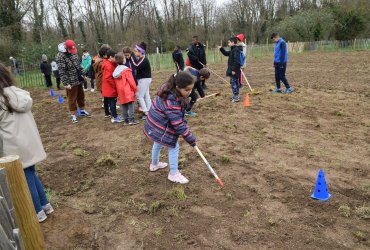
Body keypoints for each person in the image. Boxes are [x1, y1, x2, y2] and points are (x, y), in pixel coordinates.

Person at [0, 63, 54, 222]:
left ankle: (37, 211)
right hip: (29, 143)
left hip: (13, 145)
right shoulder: (18, 93)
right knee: (31, 173)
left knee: (25, 177)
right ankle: (45, 205)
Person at [144, 71, 197, 184]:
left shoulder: (168, 90)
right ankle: (173, 173)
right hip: (161, 126)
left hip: (155, 124)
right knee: (174, 146)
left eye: (191, 89)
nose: (189, 92)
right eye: (186, 90)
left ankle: (154, 164)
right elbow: (178, 124)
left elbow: (177, 117)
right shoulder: (172, 100)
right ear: (177, 87)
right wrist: (190, 138)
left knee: (157, 142)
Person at [56, 39, 91, 123]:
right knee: (72, 98)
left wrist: (83, 75)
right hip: (70, 82)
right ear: (66, 48)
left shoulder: (74, 53)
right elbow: (62, 71)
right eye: (70, 50)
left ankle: (82, 111)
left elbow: (79, 66)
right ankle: (73, 115)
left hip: (78, 79)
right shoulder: (60, 56)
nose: (72, 52)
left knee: (81, 96)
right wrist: (66, 83)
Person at [113, 52, 139, 125]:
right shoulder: (126, 70)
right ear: (123, 60)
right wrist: (135, 89)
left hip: (120, 90)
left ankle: (126, 120)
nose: (125, 59)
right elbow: (131, 81)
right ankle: (132, 120)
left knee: (123, 104)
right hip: (127, 89)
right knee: (130, 104)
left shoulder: (116, 71)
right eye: (124, 58)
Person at [219, 37, 243, 102]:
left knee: (234, 83)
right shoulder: (233, 50)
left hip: (234, 70)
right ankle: (235, 95)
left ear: (233, 42)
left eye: (229, 42)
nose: (228, 43)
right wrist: (221, 48)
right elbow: (226, 53)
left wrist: (233, 70)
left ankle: (236, 97)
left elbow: (236, 61)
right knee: (234, 82)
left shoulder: (236, 50)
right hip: (234, 69)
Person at [132, 42, 152, 120]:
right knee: (146, 95)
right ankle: (149, 111)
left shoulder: (143, 58)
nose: (135, 52)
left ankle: (146, 112)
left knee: (140, 96)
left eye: (136, 51)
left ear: (141, 52)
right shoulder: (142, 58)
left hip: (144, 79)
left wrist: (132, 57)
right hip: (146, 79)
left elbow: (136, 66)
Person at [102, 49, 121, 123]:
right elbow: (108, 78)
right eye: (115, 58)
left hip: (108, 87)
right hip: (110, 88)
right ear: (110, 57)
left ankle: (113, 115)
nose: (116, 60)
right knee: (112, 102)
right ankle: (114, 117)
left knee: (111, 102)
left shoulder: (108, 63)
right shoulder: (108, 66)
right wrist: (115, 86)